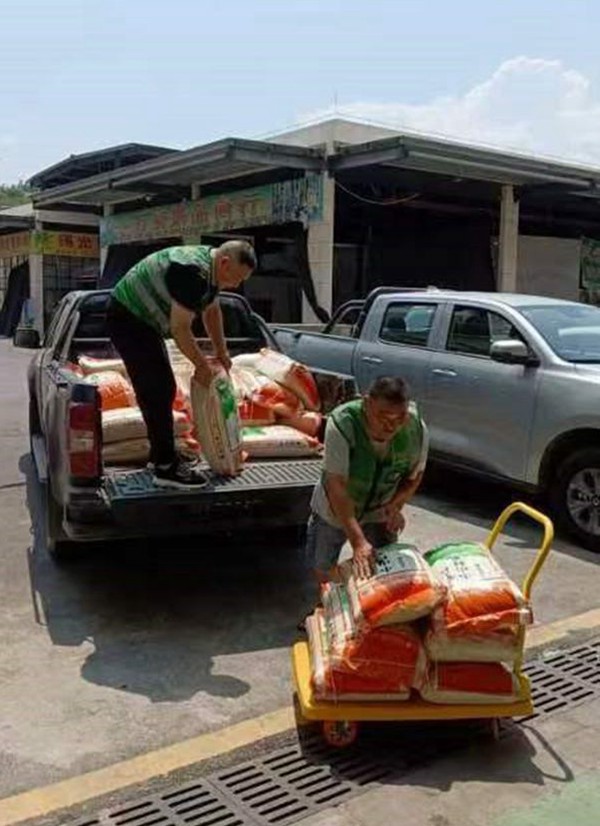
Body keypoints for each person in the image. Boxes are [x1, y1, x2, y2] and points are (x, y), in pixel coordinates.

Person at [106, 240, 257, 489]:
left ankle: (160, 457)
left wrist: (222, 352)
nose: (237, 285)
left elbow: (212, 313)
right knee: (158, 387)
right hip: (128, 318)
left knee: (161, 387)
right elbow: (180, 328)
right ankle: (166, 468)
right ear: (225, 263)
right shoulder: (192, 272)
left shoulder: (211, 270)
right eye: (237, 278)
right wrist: (201, 365)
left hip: (144, 323)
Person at [302, 375, 428, 624]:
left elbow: (415, 476)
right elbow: (336, 486)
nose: (391, 425)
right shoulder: (343, 423)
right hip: (335, 506)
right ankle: (327, 611)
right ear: (367, 403)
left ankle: (375, 615)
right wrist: (358, 540)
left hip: (379, 505)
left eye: (398, 418)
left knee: (384, 566)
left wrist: (396, 505)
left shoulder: (416, 429)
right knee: (323, 564)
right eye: (383, 416)